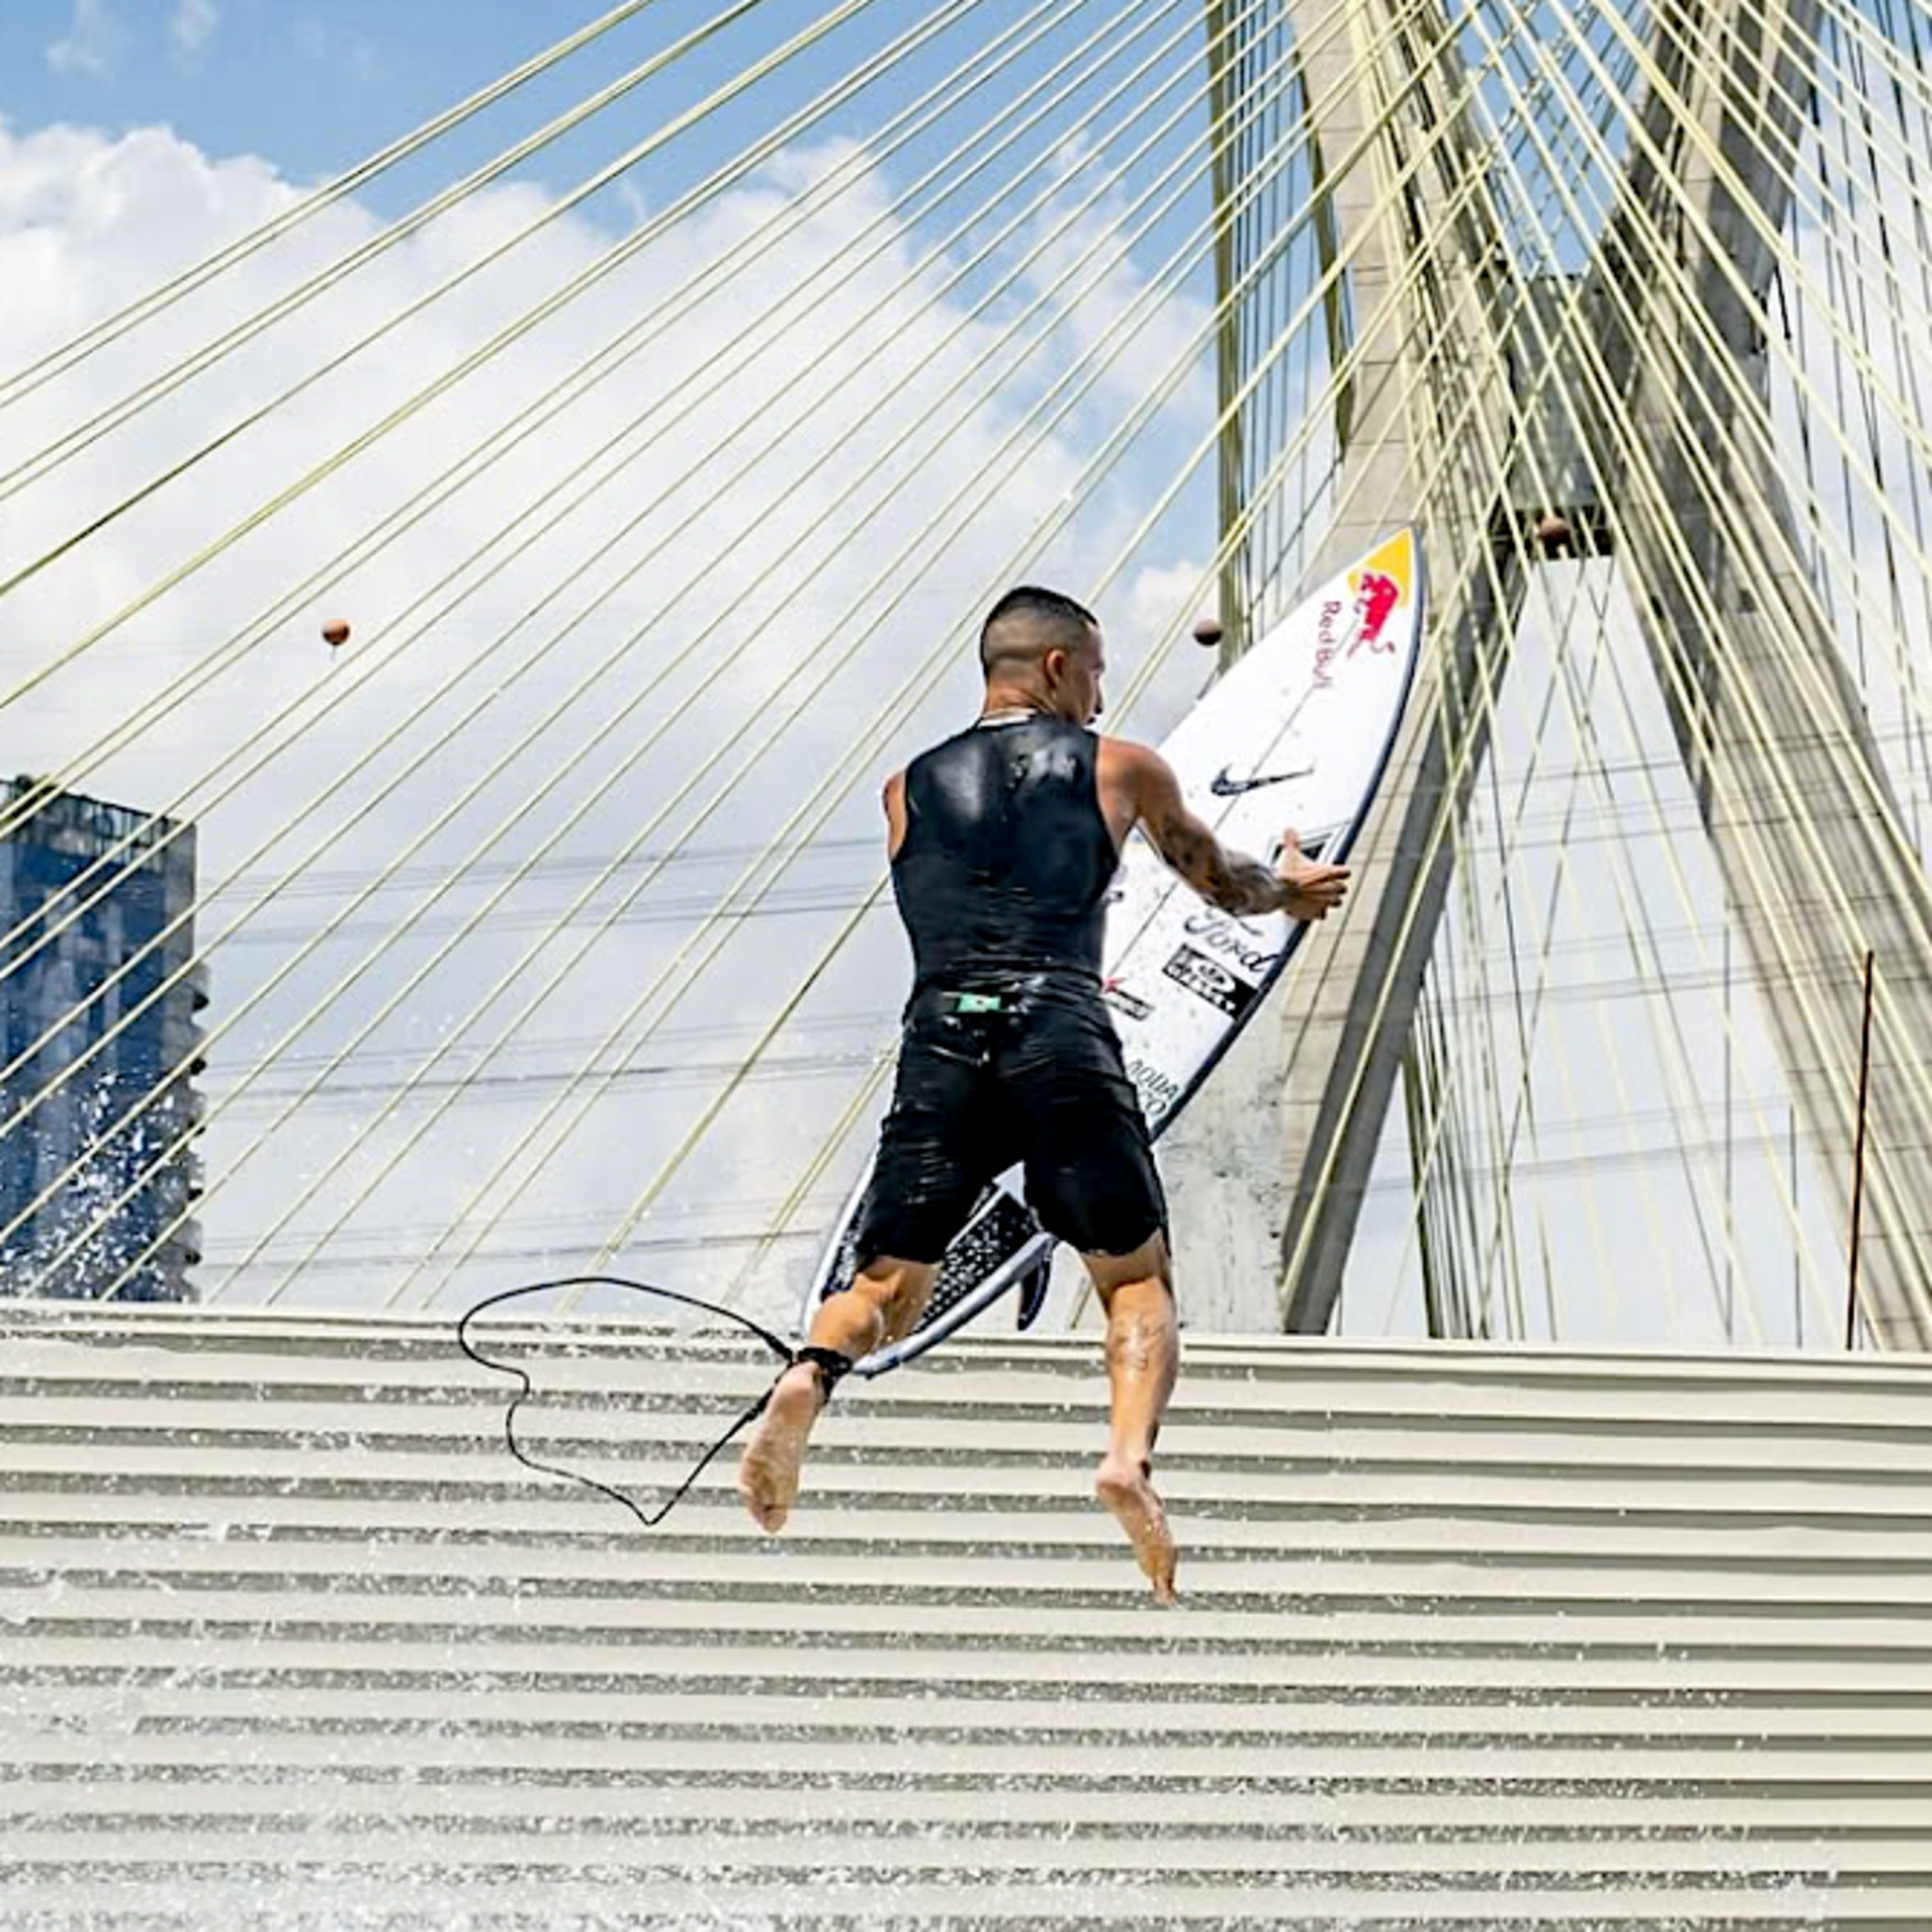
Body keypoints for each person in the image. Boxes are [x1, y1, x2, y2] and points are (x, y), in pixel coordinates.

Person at [737, 586, 1350, 1600]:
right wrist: (1291, 887)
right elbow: (1221, 884)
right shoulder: (1118, 767)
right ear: (1061, 668)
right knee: (1134, 1279)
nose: (1104, 694)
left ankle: (811, 1374)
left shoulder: (903, 789)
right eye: (1099, 671)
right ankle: (1125, 1461)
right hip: (1058, 1030)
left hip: (939, 1038)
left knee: (889, 1286)